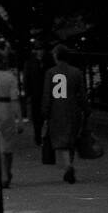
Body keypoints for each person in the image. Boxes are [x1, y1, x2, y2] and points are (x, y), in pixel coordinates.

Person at [41, 45, 89, 183]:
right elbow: (82, 94)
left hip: (56, 110)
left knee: (60, 140)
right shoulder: (76, 72)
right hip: (73, 109)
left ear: (56, 56)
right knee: (71, 138)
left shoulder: (51, 73)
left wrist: (45, 111)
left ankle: (68, 166)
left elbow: (47, 94)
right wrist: (86, 109)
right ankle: (69, 164)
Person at [0, 49, 23, 188]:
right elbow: (15, 99)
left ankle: (2, 174)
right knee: (8, 144)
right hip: (7, 109)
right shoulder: (10, 77)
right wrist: (20, 119)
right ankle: (8, 172)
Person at [22, 47, 50, 146]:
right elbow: (26, 80)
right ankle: (38, 137)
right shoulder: (30, 63)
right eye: (39, 50)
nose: (41, 52)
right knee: (37, 117)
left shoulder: (46, 63)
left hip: (43, 93)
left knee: (42, 116)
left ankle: (41, 136)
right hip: (36, 94)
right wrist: (28, 93)